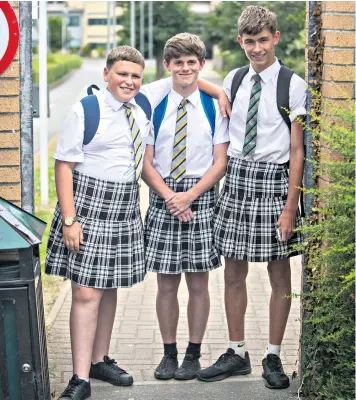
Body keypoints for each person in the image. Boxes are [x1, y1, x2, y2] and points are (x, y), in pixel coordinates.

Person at [46, 46, 171, 400]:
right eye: (122, 74)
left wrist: (220, 91)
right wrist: (70, 219)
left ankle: (100, 360)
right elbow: (64, 166)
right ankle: (79, 378)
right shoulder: (85, 109)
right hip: (88, 203)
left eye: (135, 75)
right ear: (106, 75)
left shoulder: (143, 103)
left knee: (109, 285)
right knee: (86, 292)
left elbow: (185, 77)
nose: (129, 81)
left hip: (125, 203)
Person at [197, 6, 306, 390]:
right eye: (249, 41)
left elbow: (297, 151)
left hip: (274, 184)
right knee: (233, 271)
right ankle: (236, 351)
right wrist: (218, 92)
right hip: (238, 179)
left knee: (279, 272)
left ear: (275, 38)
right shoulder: (235, 77)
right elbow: (210, 88)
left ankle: (273, 354)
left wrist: (291, 206)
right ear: (240, 41)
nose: (256, 48)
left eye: (263, 40)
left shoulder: (292, 85)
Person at [142, 33, 229, 381]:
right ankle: (169, 353)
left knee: (197, 283)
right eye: (178, 62)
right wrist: (170, 197)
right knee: (166, 283)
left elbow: (220, 162)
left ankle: (193, 353)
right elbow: (146, 163)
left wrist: (189, 196)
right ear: (167, 66)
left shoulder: (213, 106)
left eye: (192, 62)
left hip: (201, 194)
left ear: (201, 65)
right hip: (164, 194)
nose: (185, 68)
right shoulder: (153, 101)